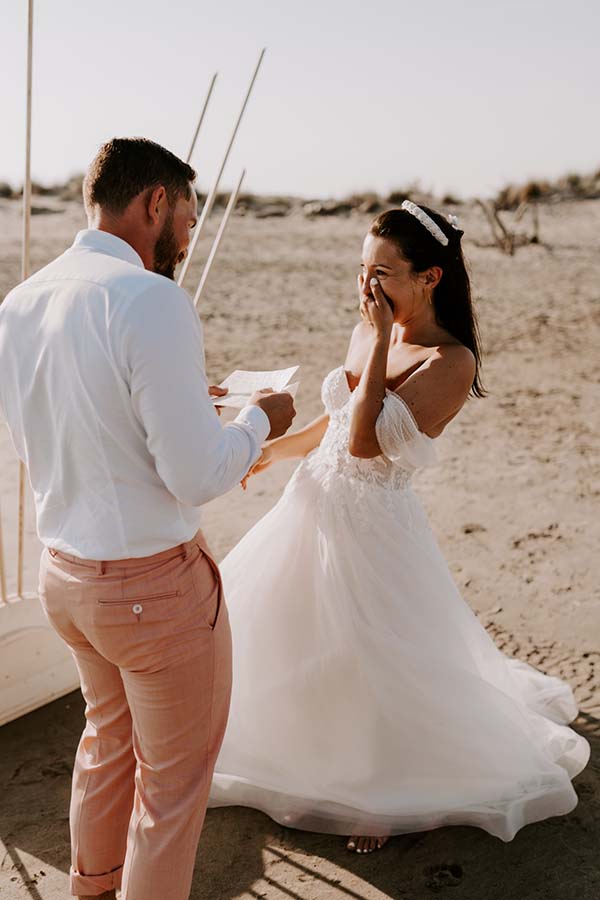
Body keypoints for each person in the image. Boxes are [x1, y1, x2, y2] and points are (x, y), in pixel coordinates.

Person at [209, 201, 590, 855]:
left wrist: (381, 340)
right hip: (312, 506)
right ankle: (308, 754)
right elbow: (334, 422)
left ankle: (381, 792)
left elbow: (364, 446)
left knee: (372, 656)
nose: (366, 285)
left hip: (373, 526)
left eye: (381, 271)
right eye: (362, 268)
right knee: (299, 638)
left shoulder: (451, 361)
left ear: (430, 277)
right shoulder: (368, 328)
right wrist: (274, 451)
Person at [0, 137, 295, 900]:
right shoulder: (152, 299)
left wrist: (173, 411)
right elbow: (196, 475)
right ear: (155, 202)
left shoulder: (21, 301)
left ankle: (90, 890)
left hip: (63, 575)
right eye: (188, 217)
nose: (188, 236)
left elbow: (51, 428)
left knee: (107, 742)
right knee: (170, 791)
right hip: (152, 593)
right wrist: (261, 419)